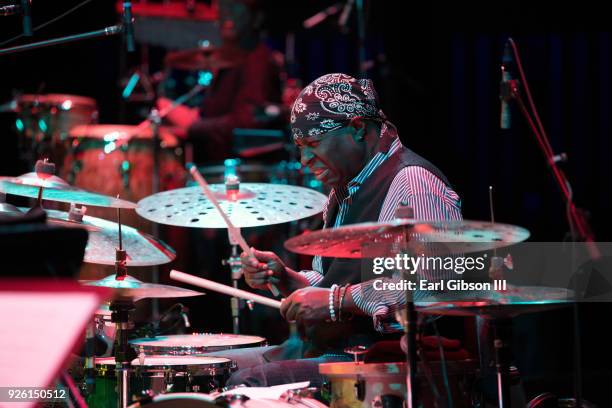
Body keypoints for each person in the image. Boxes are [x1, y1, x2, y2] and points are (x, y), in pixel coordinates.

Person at [206, 72, 463, 387]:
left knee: (244, 384)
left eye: (313, 144)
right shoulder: (345, 187)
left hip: (382, 359)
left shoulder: (412, 183)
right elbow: (333, 278)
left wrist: (335, 302)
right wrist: (287, 279)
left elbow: (432, 289)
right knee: (216, 369)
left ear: (356, 128)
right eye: (300, 147)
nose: (304, 160)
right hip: (335, 350)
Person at [157, 0, 282, 162]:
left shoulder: (258, 59)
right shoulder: (231, 61)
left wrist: (193, 126)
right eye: (223, 7)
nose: (227, 14)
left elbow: (247, 122)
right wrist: (194, 116)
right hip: (222, 167)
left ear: (256, 18)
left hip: (245, 174)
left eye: (236, 7)